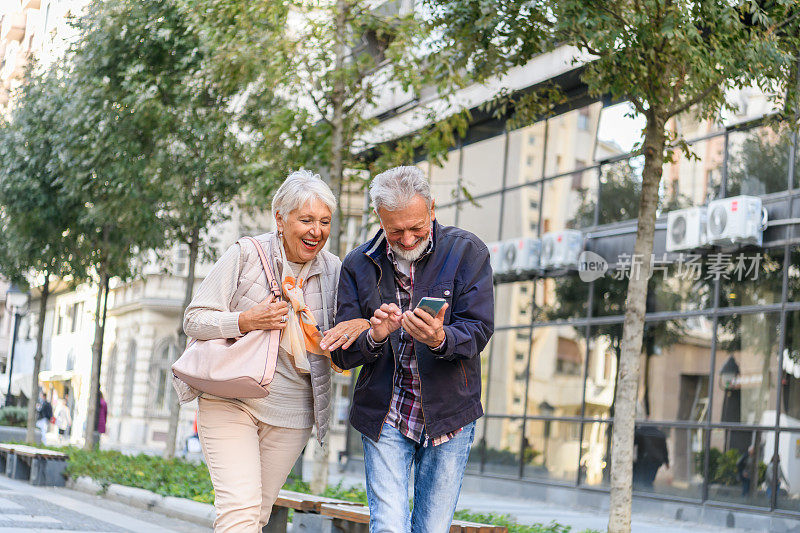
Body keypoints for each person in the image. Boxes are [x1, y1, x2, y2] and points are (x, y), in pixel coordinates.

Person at [175, 170, 369, 532]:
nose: (317, 231)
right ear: (280, 218)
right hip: (230, 398)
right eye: (306, 219)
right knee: (240, 511)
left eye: (325, 221)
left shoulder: (334, 270)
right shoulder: (247, 254)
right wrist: (245, 320)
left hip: (292, 412)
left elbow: (346, 338)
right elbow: (194, 319)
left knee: (257, 515)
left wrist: (364, 326)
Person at [331, 166, 494, 533]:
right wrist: (374, 336)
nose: (406, 239)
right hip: (385, 413)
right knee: (389, 526)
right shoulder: (358, 264)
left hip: (450, 413)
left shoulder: (467, 252)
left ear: (432, 209)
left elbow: (479, 329)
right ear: (379, 218)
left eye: (416, 227)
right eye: (395, 230)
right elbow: (340, 353)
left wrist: (440, 339)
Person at [632, 425, 669, 490]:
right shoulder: (660, 434)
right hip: (656, 460)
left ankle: (647, 494)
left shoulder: (641, 432)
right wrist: (666, 462)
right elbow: (664, 449)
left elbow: (632, 443)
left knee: (642, 481)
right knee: (648, 480)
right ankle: (648, 493)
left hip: (646, 460)